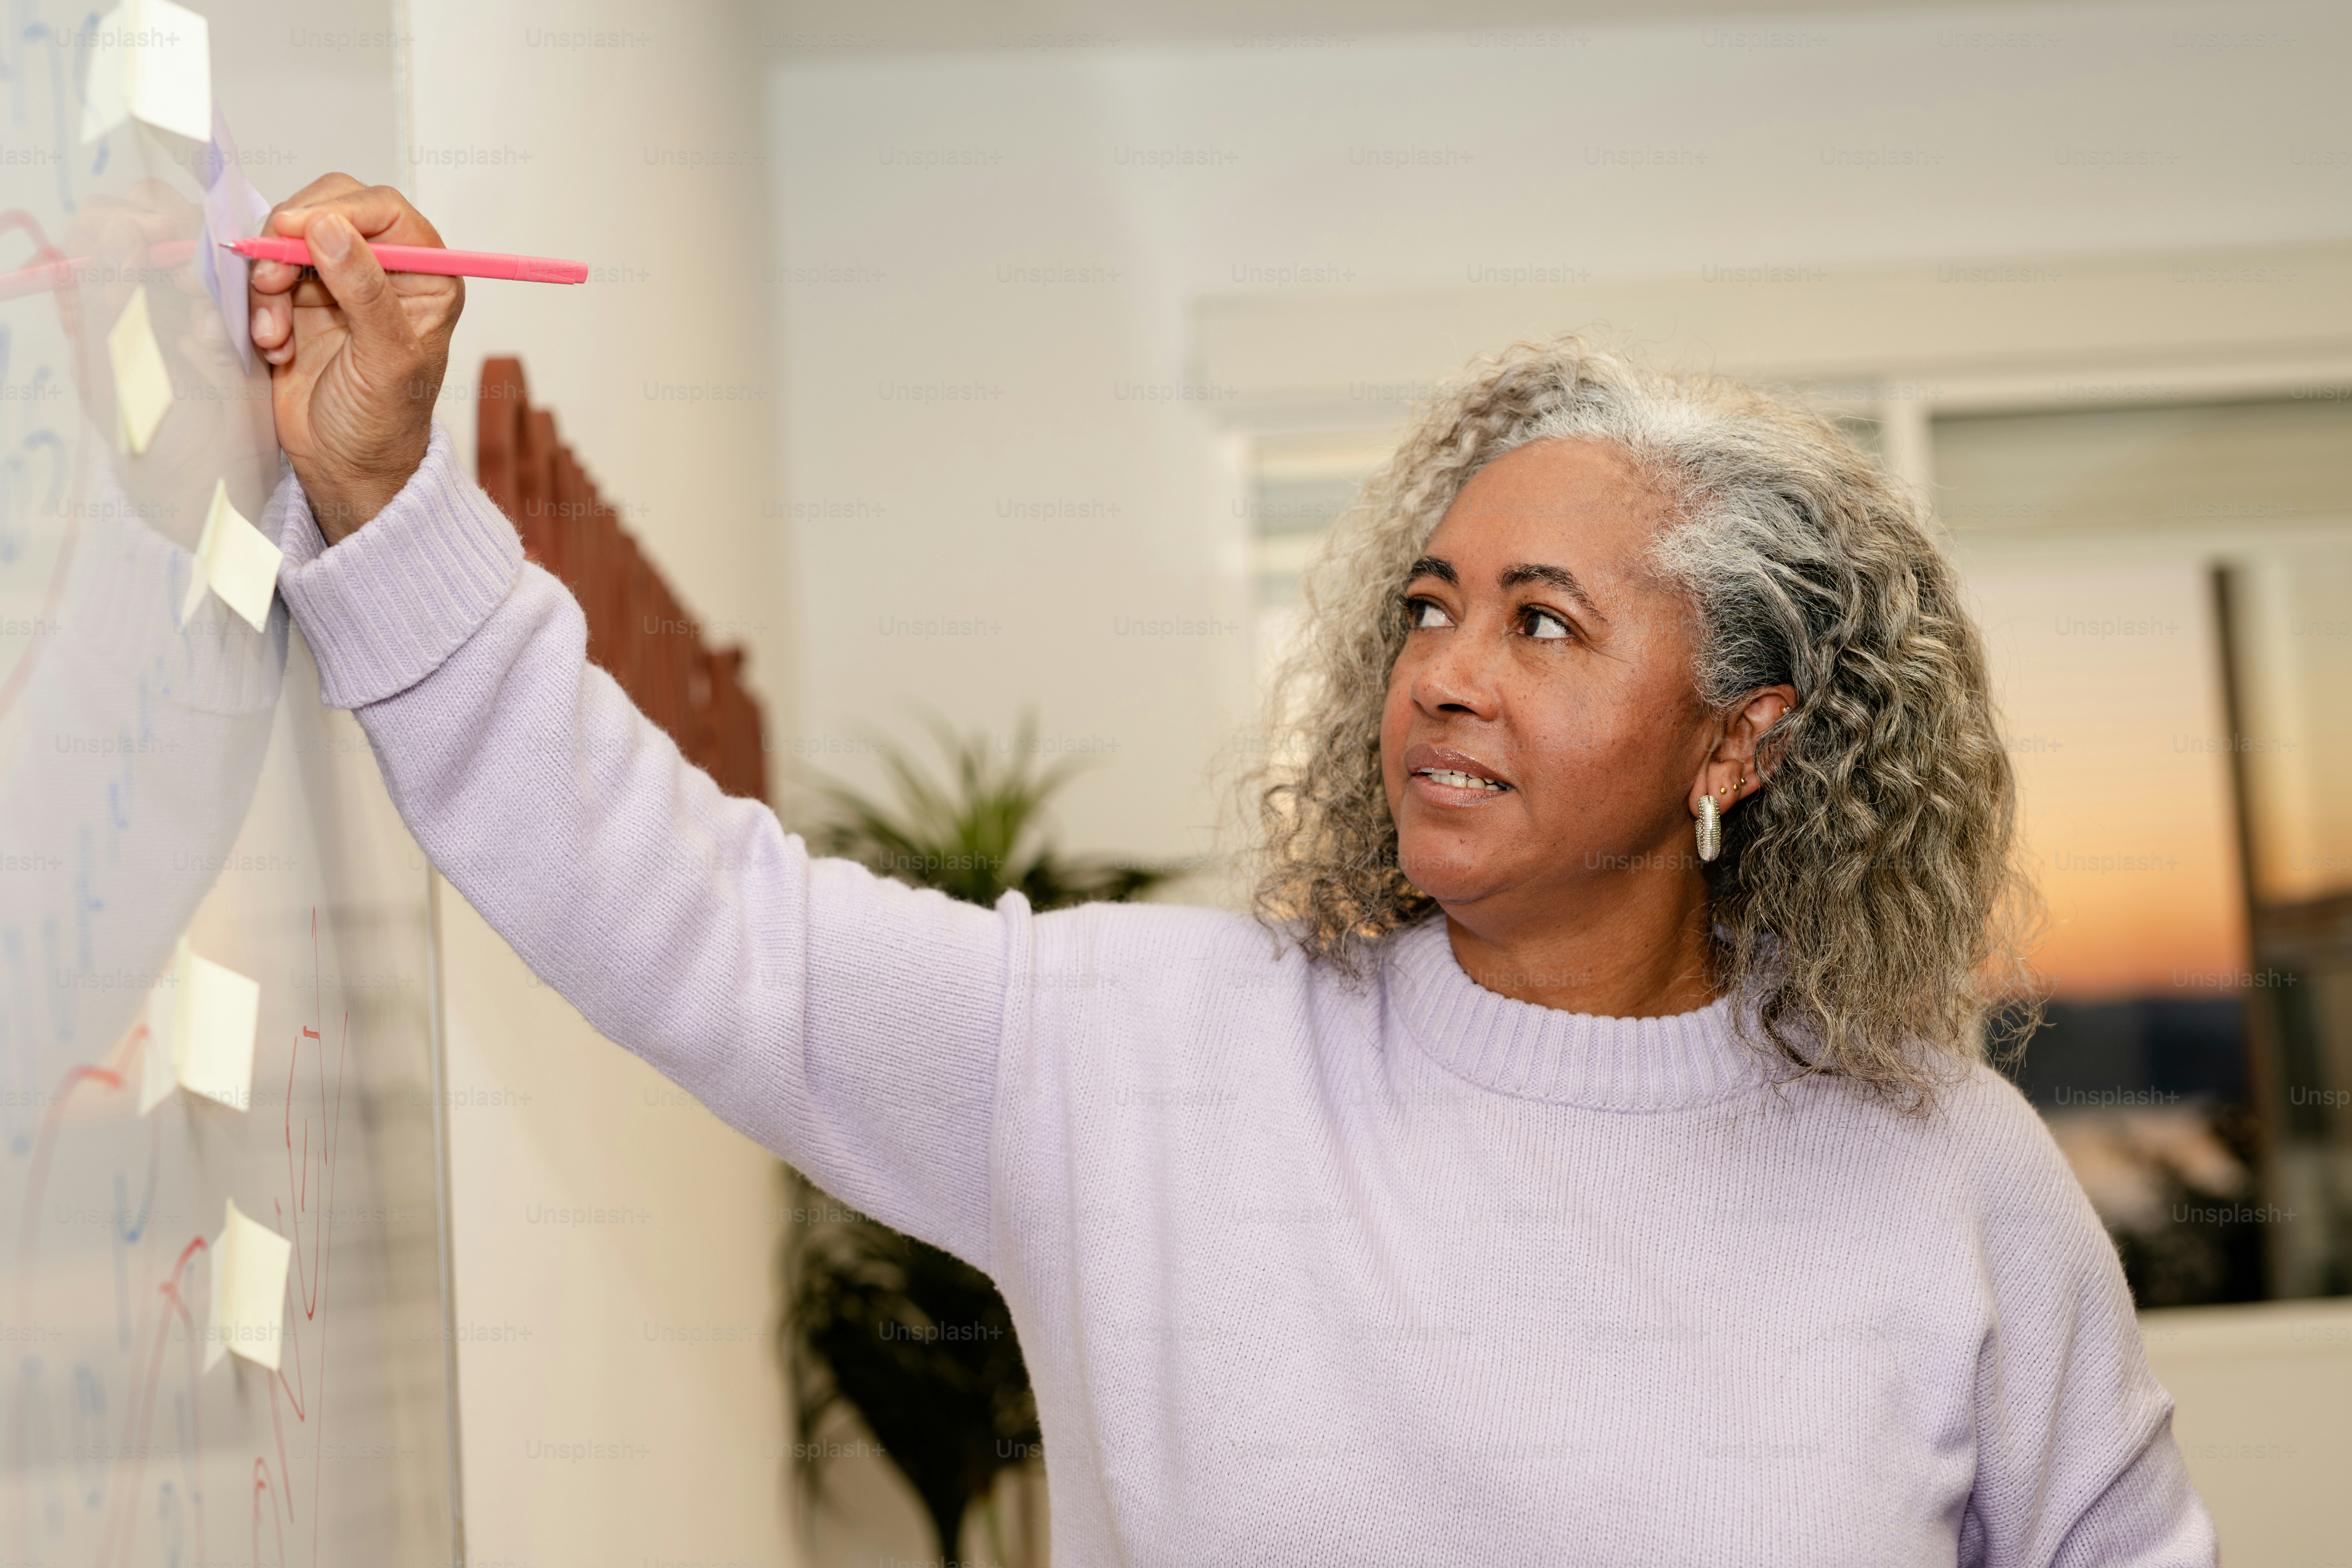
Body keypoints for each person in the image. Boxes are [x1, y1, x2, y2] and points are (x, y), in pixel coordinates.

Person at [248, 175, 2217, 1566]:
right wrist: (384, 502)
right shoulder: (1146, 1056)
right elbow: (689, 916)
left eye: (1543, 626)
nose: (1442, 671)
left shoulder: (1940, 1170)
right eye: (1432, 608)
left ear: (1740, 739)